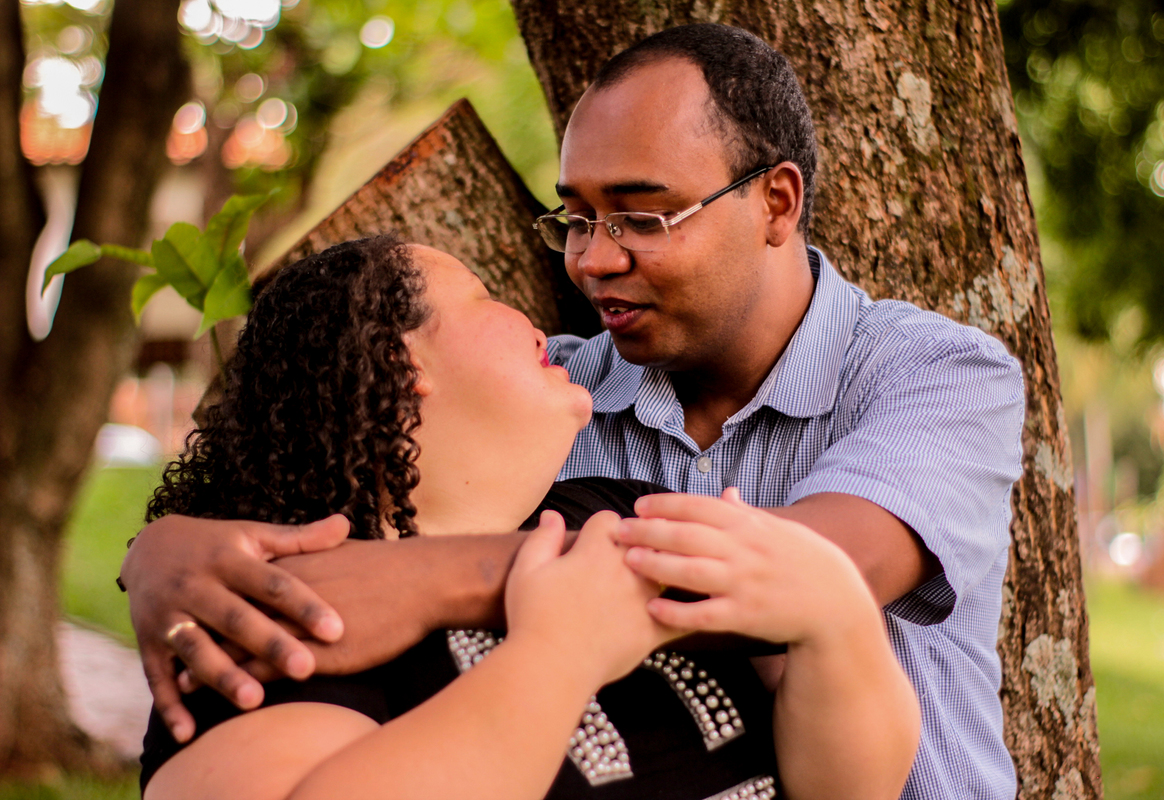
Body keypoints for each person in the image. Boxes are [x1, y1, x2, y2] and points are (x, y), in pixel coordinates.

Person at [122, 23, 1024, 800]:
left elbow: (817, 568)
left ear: (776, 203)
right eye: (578, 219)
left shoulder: (938, 374)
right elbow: (352, 437)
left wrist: (437, 578)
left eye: (641, 216)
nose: (591, 261)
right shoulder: (561, 398)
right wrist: (164, 552)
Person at [136, 235, 918, 800]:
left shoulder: (620, 506)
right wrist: (558, 653)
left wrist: (837, 612)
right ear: (400, 363)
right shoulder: (275, 624)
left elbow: (853, 786)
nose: (541, 325)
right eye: (485, 298)